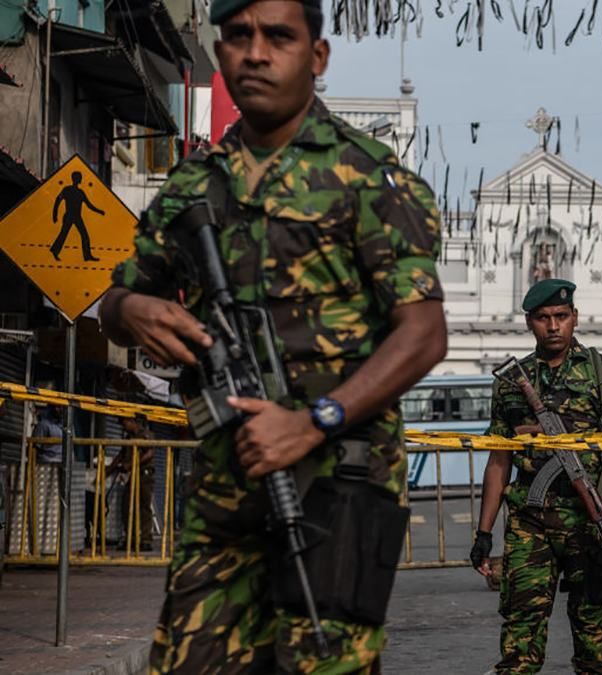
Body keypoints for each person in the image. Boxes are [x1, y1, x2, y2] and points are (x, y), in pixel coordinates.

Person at [99, 0, 448, 669]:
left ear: (316, 57)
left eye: (278, 36)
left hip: (336, 488)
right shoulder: (191, 186)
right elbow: (118, 296)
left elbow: (424, 333)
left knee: (319, 658)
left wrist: (316, 419)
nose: (255, 53)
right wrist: (130, 311)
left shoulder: (370, 178)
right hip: (226, 488)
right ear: (221, 51)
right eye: (237, 37)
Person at [469, 278, 602, 674]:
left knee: (593, 636)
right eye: (543, 318)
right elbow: (498, 461)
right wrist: (484, 532)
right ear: (529, 323)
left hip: (587, 521)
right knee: (520, 637)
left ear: (575, 318)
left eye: (561, 316)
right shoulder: (511, 383)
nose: (553, 326)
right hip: (528, 522)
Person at [115, 417, 157, 552]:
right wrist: (107, 471)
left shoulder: (145, 435)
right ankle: (131, 539)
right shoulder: (128, 438)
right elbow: (120, 456)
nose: (123, 426)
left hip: (143, 475)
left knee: (144, 507)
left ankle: (145, 539)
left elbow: (150, 453)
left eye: (124, 422)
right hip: (131, 476)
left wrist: (131, 464)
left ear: (132, 421)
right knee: (127, 507)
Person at [32, 405, 64, 556]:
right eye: (58, 407)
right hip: (46, 468)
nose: (61, 409)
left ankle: (59, 547)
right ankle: (43, 547)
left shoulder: (66, 426)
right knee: (46, 508)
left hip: (63, 469)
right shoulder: (43, 425)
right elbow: (33, 448)